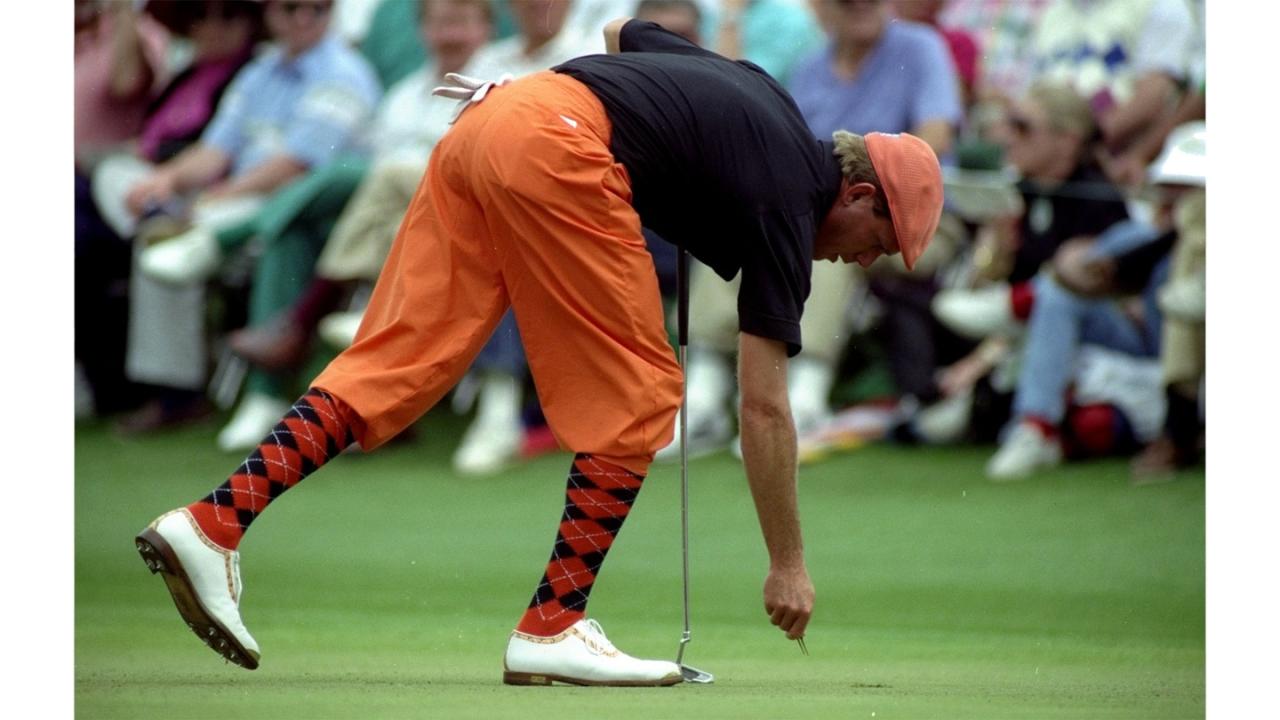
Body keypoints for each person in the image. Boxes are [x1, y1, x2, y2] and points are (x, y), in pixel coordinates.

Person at [134, 17, 943, 685]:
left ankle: (213, 525)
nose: (868, 259)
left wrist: (553, 110)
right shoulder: (788, 213)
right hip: (558, 144)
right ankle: (552, 625)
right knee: (644, 393)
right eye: (882, 239)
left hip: (491, 121)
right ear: (860, 192)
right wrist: (788, 566)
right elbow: (764, 407)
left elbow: (625, 31)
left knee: (399, 361)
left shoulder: (767, 93)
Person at [663, 0, 961, 458]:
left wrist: (859, 176)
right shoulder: (811, 65)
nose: (859, 7)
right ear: (821, 9)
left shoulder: (920, 47)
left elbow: (933, 141)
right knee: (740, 221)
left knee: (823, 228)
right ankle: (703, 391)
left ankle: (804, 395)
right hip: (834, 208)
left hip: (916, 222)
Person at [105, 0, 381, 436]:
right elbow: (217, 148)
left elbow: (299, 164)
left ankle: (262, 392)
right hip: (256, 205)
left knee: (277, 225)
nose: (304, 18)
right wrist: (169, 179)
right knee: (152, 224)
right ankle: (179, 391)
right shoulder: (259, 72)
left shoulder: (344, 71)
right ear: (269, 15)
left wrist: (218, 199)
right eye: (291, 8)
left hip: (318, 212)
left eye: (318, 8)